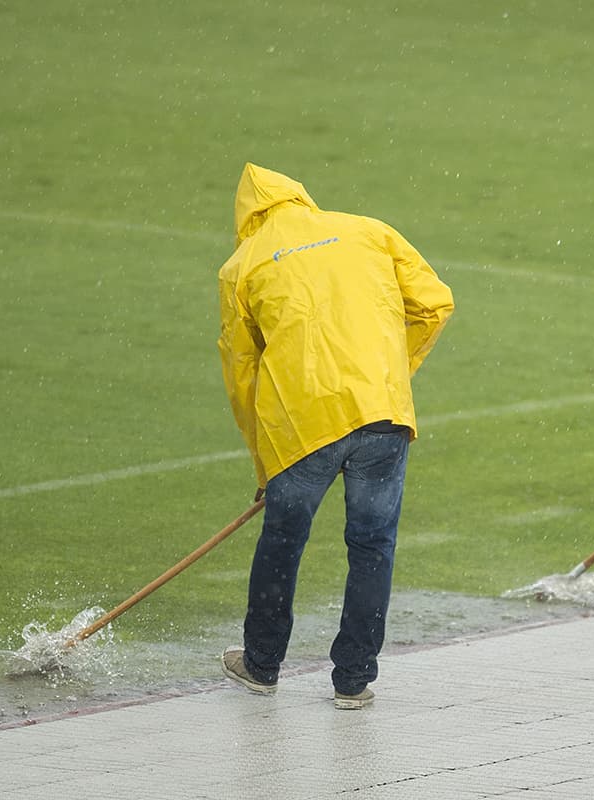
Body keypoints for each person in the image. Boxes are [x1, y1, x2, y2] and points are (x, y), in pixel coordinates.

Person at [216, 163, 454, 708]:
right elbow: (435, 303)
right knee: (372, 546)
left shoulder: (243, 265)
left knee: (282, 543)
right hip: (383, 415)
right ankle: (352, 680)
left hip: (302, 428)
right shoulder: (369, 230)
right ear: (301, 198)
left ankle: (261, 663)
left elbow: (241, 372)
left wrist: (264, 460)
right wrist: (391, 374)